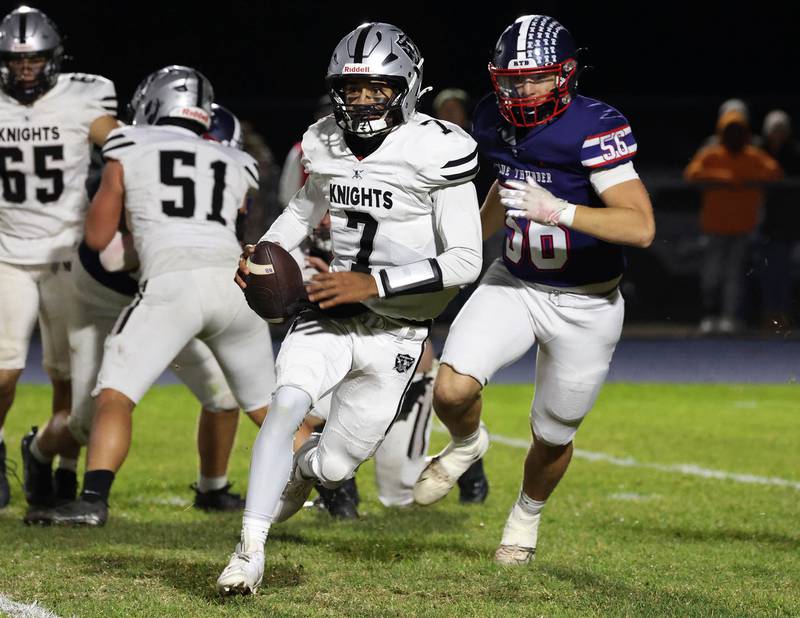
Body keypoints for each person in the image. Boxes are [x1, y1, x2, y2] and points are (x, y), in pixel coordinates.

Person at [216, 22, 482, 595]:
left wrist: (374, 283)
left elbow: (465, 260)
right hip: (329, 311)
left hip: (399, 329)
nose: (362, 100)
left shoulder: (440, 147)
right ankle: (248, 551)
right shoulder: (323, 140)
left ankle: (301, 474)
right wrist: (264, 251)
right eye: (352, 88)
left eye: (377, 88)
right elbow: (302, 211)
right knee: (286, 404)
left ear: (407, 86)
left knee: (334, 468)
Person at [413, 15, 655, 566]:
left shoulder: (593, 126)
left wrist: (563, 210)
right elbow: (505, 182)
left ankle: (525, 516)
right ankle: (469, 444)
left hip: (587, 304)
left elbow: (640, 226)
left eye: (536, 78)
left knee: (551, 435)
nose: (521, 91)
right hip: (515, 283)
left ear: (565, 76)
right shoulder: (490, 119)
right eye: (511, 80)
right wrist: (466, 240)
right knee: (450, 391)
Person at [36, 65, 274, 527]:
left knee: (120, 396)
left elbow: (98, 237)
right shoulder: (236, 163)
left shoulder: (129, 144)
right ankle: (333, 479)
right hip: (190, 290)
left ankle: (95, 500)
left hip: (166, 289)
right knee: (267, 407)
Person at [0, 6, 118, 508]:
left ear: (53, 59)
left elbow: (121, 147)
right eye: (16, 62)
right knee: (3, 370)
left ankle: (62, 467)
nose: (25, 70)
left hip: (67, 252)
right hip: (7, 252)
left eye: (35, 61)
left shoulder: (84, 97)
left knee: (68, 374)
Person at [685, 110, 782, 334]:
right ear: (722, 133)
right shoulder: (712, 154)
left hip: (742, 227)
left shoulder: (753, 155)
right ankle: (710, 316)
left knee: (734, 276)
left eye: (739, 131)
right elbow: (691, 174)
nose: (734, 135)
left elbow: (775, 173)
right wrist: (724, 178)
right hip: (714, 227)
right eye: (730, 131)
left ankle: (729, 317)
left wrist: (748, 181)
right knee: (712, 275)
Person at [759, 110, 800, 329]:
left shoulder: (794, 152)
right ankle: (767, 316)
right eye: (774, 129)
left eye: (782, 129)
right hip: (762, 222)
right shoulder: (759, 151)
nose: (778, 134)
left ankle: (782, 317)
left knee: (783, 272)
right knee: (765, 272)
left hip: (787, 223)